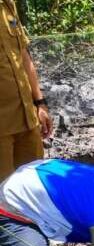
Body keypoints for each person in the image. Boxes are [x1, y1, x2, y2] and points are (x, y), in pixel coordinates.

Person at [0, 0, 53, 181]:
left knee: (35, 186)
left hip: (27, 120)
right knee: (4, 196)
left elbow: (23, 56)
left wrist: (40, 103)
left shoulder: (7, 5)